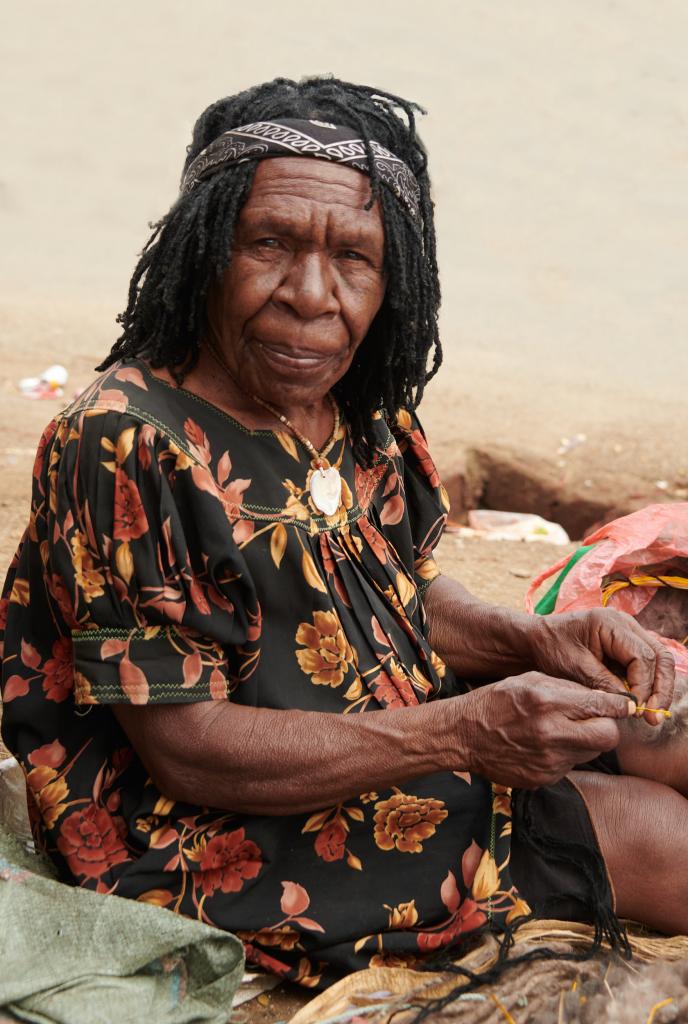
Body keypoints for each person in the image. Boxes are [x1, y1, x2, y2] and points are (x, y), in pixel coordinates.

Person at [0, 77, 684, 990]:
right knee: (652, 836)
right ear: (205, 248)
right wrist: (464, 734)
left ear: (394, 271)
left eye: (353, 258)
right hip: (197, 829)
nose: (311, 296)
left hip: (390, 725)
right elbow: (187, 747)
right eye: (269, 244)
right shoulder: (129, 442)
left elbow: (397, 590)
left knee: (665, 728)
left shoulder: (354, 402)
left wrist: (536, 641)